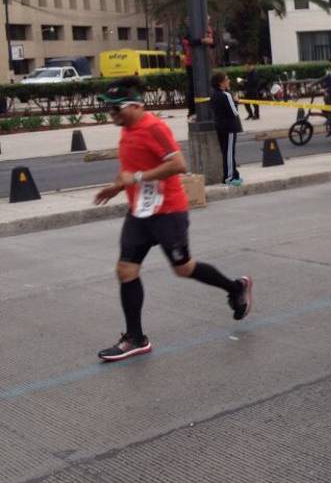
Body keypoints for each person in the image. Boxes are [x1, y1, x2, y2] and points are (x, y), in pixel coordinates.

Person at [92, 78, 251, 362]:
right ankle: (136, 338)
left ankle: (235, 288)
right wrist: (116, 186)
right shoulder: (126, 130)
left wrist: (138, 177)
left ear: (136, 105)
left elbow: (179, 164)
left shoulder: (154, 127)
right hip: (140, 212)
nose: (112, 114)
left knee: (183, 268)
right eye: (110, 108)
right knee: (125, 270)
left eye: (117, 108)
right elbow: (130, 169)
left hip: (168, 213)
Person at [210, 72, 244, 186]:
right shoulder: (226, 95)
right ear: (221, 83)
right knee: (229, 153)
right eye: (227, 79)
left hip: (220, 126)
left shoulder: (214, 95)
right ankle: (229, 177)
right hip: (229, 127)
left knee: (226, 152)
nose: (229, 81)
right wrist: (236, 102)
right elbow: (234, 112)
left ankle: (233, 174)